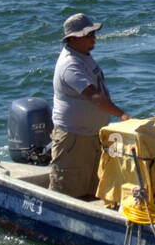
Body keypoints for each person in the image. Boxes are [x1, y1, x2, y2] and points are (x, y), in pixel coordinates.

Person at [49, 12, 128, 199]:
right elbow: (94, 96)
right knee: (66, 191)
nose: (94, 38)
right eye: (89, 35)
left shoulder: (83, 55)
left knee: (95, 187)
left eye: (94, 33)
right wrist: (122, 115)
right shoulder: (70, 65)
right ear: (72, 39)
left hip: (92, 134)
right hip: (73, 139)